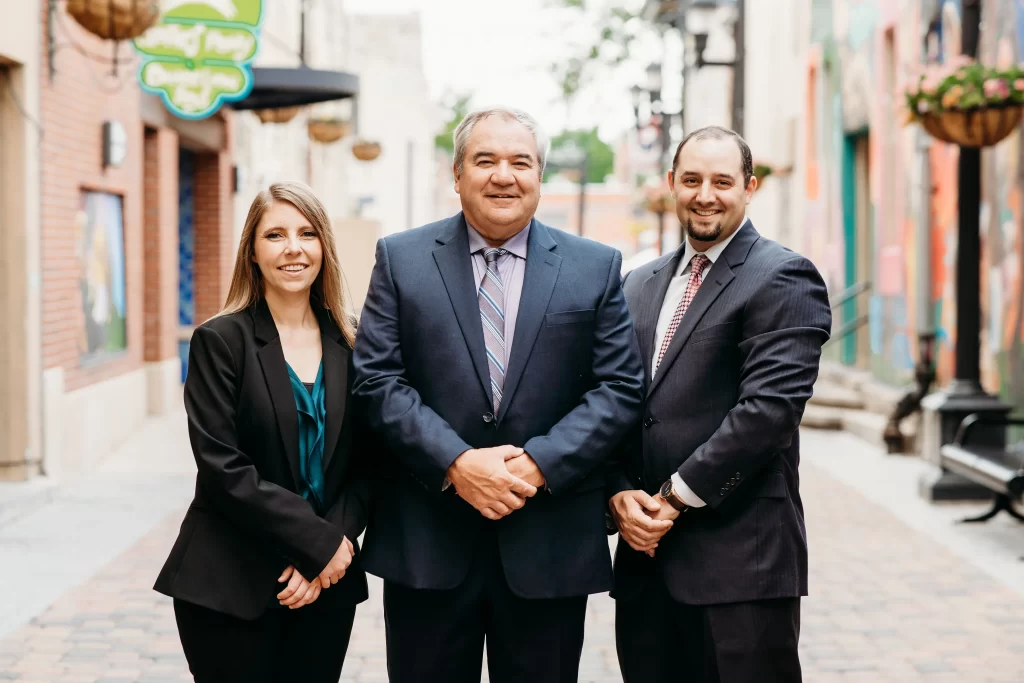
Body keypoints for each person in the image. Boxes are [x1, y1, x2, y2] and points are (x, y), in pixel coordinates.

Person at [352, 106, 645, 683]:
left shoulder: (595, 266)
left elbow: (619, 387)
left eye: (521, 162)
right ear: (456, 174)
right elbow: (376, 379)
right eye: (485, 160)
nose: (503, 175)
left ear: (541, 177)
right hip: (428, 541)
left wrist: (538, 464)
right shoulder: (400, 259)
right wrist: (456, 463)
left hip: (549, 545)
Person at [608, 126, 832, 683]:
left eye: (722, 181)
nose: (705, 194)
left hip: (742, 565)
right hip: (646, 562)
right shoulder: (637, 284)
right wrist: (617, 494)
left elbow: (769, 412)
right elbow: (612, 402)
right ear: (671, 185)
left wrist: (673, 500)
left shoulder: (782, 276)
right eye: (692, 179)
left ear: (749, 188)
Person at [154, 181, 370, 683]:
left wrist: (332, 548)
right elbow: (223, 468)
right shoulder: (219, 340)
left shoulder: (356, 342)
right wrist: (316, 544)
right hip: (230, 580)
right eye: (275, 235)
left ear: (324, 248)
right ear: (252, 250)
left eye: (307, 233)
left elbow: (372, 464)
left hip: (328, 582)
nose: (293, 248)